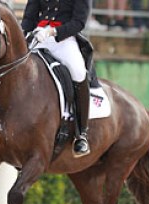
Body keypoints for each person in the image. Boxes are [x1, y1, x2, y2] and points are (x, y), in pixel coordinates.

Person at [21, 0, 91, 157]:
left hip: (63, 39)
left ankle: (81, 134)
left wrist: (53, 32)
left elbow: (79, 22)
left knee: (78, 72)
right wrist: (23, 31)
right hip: (38, 37)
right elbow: (29, 17)